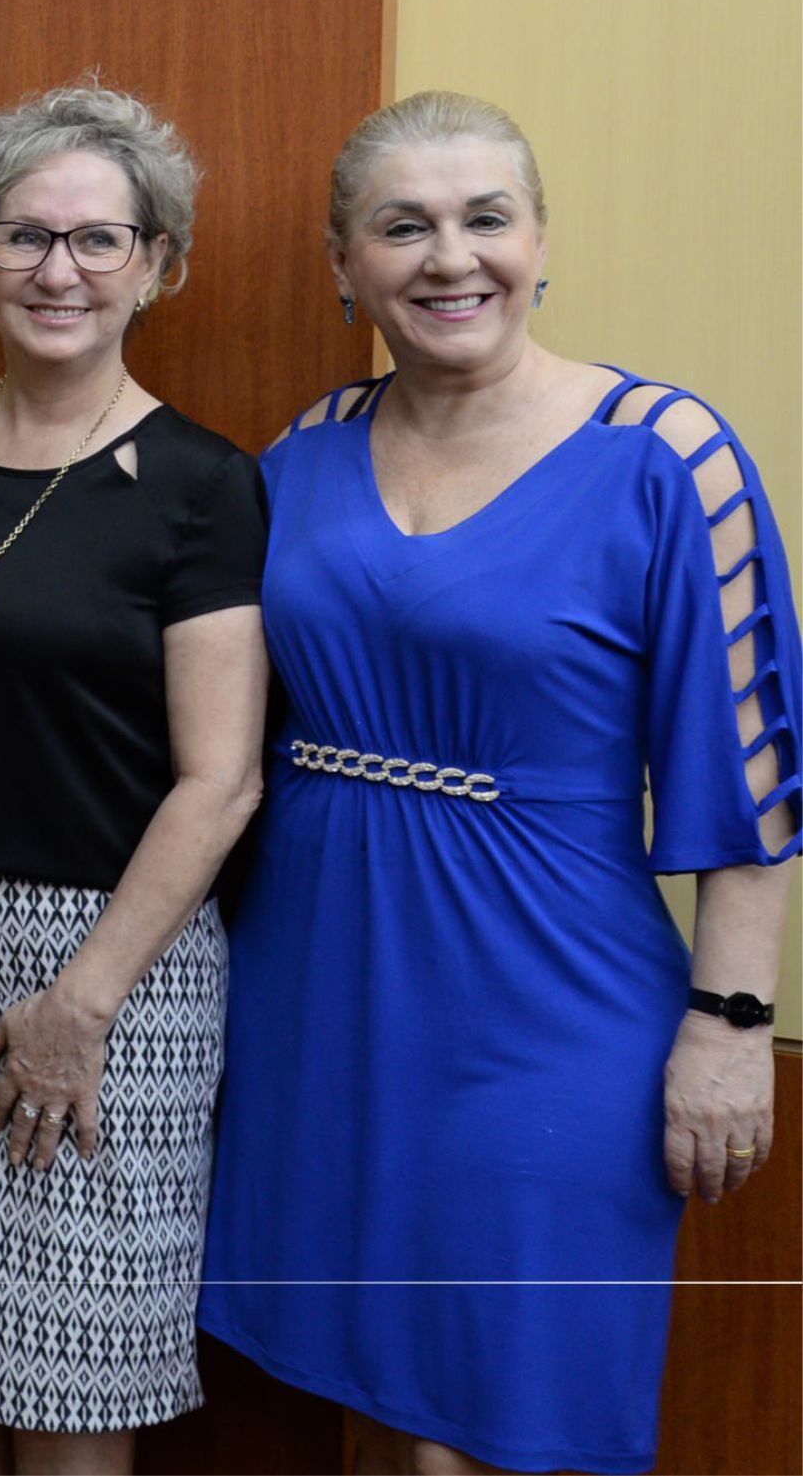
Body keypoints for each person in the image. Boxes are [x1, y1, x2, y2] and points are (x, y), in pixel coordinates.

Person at [202, 91, 796, 1476]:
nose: (447, 257)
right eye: (400, 226)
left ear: (540, 242)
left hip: (546, 1005)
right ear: (340, 262)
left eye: (484, 218)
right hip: (322, 993)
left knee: (501, 1420)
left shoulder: (666, 456)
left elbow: (750, 772)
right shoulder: (305, 447)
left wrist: (729, 1027)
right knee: (378, 1398)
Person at [0, 85, 267, 1472]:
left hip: (106, 966)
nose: (56, 269)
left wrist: (78, 1002)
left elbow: (220, 779)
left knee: (77, 1379)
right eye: (22, 234)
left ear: (156, 262)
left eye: (97, 239)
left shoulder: (203, 482)